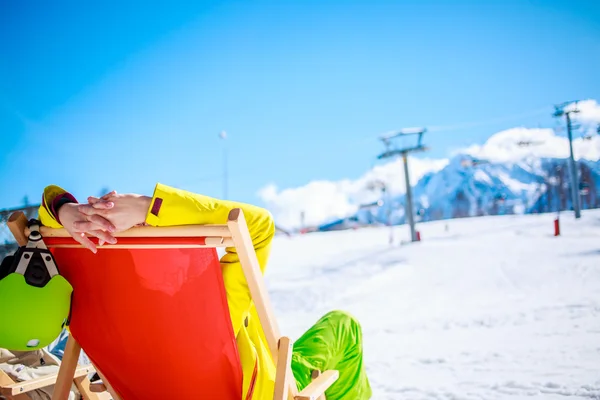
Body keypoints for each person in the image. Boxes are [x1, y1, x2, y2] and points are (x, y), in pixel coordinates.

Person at [38, 183, 372, 400]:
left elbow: (43, 214)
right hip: (265, 388)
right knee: (344, 326)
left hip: (147, 387)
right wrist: (148, 208)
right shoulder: (206, 313)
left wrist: (67, 211)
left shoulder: (98, 307)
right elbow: (258, 225)